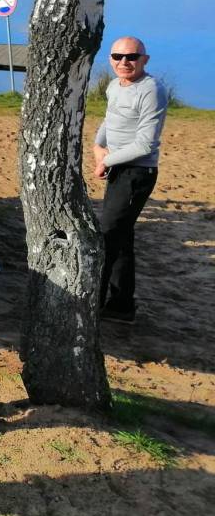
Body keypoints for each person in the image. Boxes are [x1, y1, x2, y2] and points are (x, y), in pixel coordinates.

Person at [93, 36, 167, 324]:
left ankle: (92, 306)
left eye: (132, 57)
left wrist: (106, 160)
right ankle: (121, 306)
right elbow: (108, 119)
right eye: (118, 56)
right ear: (111, 59)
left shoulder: (151, 90)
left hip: (137, 173)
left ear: (144, 60)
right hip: (116, 169)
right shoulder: (114, 85)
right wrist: (98, 146)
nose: (124, 62)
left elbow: (146, 144)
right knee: (122, 238)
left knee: (108, 238)